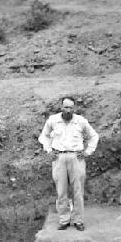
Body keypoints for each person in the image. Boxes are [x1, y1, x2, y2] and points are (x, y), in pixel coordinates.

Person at [38, 97, 99, 231]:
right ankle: (64, 220)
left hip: (76, 157)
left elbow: (94, 136)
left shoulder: (80, 121)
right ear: (61, 107)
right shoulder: (53, 120)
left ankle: (78, 220)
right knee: (61, 191)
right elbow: (44, 136)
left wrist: (87, 151)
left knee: (77, 191)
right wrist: (49, 150)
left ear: (74, 108)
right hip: (58, 157)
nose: (68, 110)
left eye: (71, 107)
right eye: (66, 107)